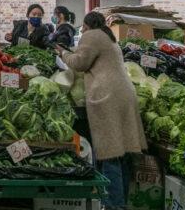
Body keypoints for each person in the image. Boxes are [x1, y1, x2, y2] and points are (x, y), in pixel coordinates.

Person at [56, 12, 147, 210]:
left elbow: (79, 64)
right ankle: (120, 202)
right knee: (121, 153)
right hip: (124, 94)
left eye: (83, 27)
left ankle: (113, 205)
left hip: (108, 96)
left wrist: (62, 53)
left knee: (109, 152)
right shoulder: (108, 37)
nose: (82, 30)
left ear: (88, 25)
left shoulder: (93, 35)